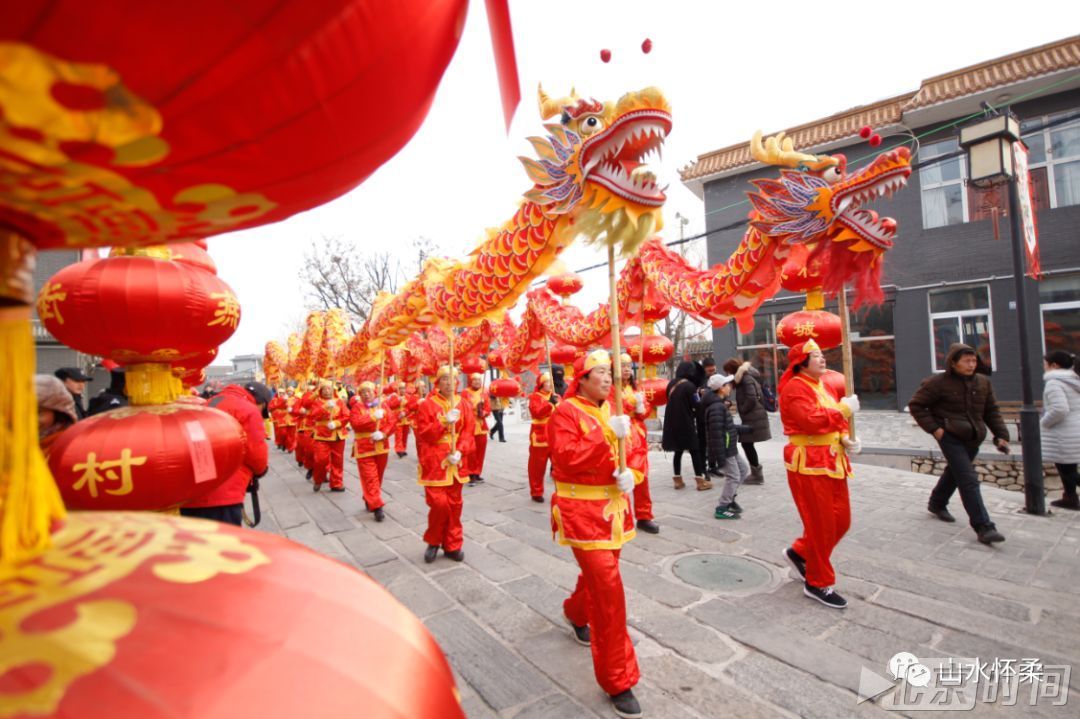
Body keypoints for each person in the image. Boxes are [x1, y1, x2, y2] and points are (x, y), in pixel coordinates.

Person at [549, 349, 642, 719]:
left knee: (598, 582)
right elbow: (566, 457)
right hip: (581, 512)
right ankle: (618, 677)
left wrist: (633, 473)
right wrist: (605, 436)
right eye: (600, 372)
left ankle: (574, 612)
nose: (607, 377)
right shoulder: (566, 412)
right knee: (609, 592)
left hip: (614, 512)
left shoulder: (614, 409)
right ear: (582, 379)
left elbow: (634, 449)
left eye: (609, 371)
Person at [779, 339, 860, 609]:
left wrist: (845, 437)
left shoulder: (824, 385)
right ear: (801, 362)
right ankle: (817, 582)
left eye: (822, 354)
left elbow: (835, 422)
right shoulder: (794, 388)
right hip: (809, 463)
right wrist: (844, 409)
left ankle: (800, 552)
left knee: (841, 521)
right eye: (815, 355)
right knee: (821, 525)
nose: (822, 359)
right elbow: (811, 421)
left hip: (833, 460)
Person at [908, 343, 1009, 545]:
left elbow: (991, 411)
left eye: (974, 361)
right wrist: (935, 429)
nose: (971, 365)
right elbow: (916, 405)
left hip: (974, 437)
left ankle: (937, 503)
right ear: (953, 363)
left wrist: (1001, 434)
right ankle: (984, 527)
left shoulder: (983, 383)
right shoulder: (938, 383)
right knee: (968, 478)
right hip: (950, 436)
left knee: (955, 472)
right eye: (966, 361)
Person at [182, 381, 270, 526]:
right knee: (225, 538)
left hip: (193, 492)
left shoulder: (208, 403)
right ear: (262, 403)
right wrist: (261, 470)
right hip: (224, 494)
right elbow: (256, 452)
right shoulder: (249, 409)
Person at [415, 365, 475, 563]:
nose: (449, 383)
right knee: (439, 505)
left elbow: (468, 432)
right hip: (435, 461)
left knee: (455, 505)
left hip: (456, 461)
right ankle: (433, 540)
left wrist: (461, 450)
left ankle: (453, 544)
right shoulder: (428, 404)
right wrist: (443, 422)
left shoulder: (464, 404)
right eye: (445, 379)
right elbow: (424, 434)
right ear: (438, 383)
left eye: (452, 379)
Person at [613, 354, 657, 534]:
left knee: (642, 476)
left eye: (628, 366)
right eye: (622, 366)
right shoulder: (611, 388)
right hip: (620, 434)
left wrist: (642, 406)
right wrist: (632, 405)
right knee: (621, 475)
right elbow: (613, 407)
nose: (626, 369)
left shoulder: (635, 387)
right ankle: (620, 515)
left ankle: (644, 515)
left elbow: (644, 412)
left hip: (637, 434)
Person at [705, 374, 752, 519]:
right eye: (727, 385)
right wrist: (719, 457)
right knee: (734, 476)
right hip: (725, 449)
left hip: (730, 447)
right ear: (721, 388)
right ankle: (722, 507)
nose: (730, 387)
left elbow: (726, 427)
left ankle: (730, 498)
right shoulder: (716, 408)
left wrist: (745, 429)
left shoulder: (720, 405)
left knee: (743, 470)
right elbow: (715, 434)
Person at [350, 381, 397, 521]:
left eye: (368, 391)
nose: (366, 394)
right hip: (364, 447)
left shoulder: (383, 405)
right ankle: (377, 506)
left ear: (374, 392)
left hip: (381, 446)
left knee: (378, 476)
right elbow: (355, 423)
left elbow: (392, 422)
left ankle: (370, 497)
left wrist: (384, 433)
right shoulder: (357, 407)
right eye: (363, 392)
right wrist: (371, 417)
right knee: (370, 477)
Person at [662, 360, 711, 491]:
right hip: (686, 422)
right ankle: (700, 481)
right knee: (695, 450)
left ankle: (678, 480)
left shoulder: (671, 384)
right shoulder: (690, 386)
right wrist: (701, 397)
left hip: (671, 422)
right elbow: (697, 405)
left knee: (678, 451)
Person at [1040, 350, 1080, 510]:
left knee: (1067, 470)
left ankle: (1070, 498)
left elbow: (1060, 409)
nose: (1044, 367)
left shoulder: (1054, 382)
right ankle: (1070, 498)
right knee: (1069, 467)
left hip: (1062, 433)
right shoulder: (1073, 380)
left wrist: (1044, 423)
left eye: (1045, 364)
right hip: (1074, 430)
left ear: (1054, 365)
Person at [723, 357, 772, 485]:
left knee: (747, 443)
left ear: (733, 370)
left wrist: (743, 409)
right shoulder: (744, 378)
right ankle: (756, 473)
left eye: (728, 371)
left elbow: (751, 398)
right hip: (753, 416)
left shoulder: (745, 379)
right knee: (747, 443)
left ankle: (757, 474)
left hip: (753, 417)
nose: (727, 374)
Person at [309, 380, 350, 492]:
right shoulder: (317, 402)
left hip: (337, 434)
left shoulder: (340, 402)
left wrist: (337, 423)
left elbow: (346, 416)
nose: (327, 391)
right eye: (325, 389)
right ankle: (318, 479)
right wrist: (325, 407)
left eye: (329, 389)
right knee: (320, 459)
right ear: (320, 391)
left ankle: (336, 483)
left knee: (338, 460)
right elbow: (314, 415)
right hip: (321, 435)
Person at [527, 372, 558, 502]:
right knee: (537, 467)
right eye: (547, 381)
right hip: (540, 435)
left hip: (556, 435)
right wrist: (549, 404)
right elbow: (537, 413)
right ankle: (536, 491)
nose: (550, 384)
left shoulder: (556, 396)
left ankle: (562, 490)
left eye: (551, 381)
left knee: (559, 465)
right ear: (541, 384)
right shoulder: (535, 397)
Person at [35, 374, 78, 453]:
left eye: (38, 412)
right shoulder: (15, 442)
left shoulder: (70, 446)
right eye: (24, 412)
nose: (30, 419)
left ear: (58, 413)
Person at [463, 372, 491, 484]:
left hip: (481, 425)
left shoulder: (484, 392)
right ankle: (470, 473)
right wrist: (475, 407)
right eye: (475, 380)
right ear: (470, 381)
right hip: (469, 425)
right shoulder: (465, 393)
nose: (477, 382)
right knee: (471, 451)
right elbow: (463, 407)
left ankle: (477, 472)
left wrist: (483, 412)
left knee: (480, 451)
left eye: (479, 380)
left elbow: (488, 409)